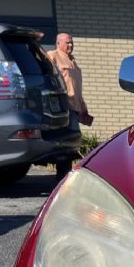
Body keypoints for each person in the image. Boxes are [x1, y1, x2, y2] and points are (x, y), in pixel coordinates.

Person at [47, 32, 92, 175]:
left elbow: (76, 88)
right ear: (58, 43)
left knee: (72, 140)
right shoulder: (52, 56)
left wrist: (83, 108)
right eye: (67, 43)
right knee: (67, 140)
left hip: (75, 107)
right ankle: (62, 173)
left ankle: (66, 171)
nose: (71, 45)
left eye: (72, 42)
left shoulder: (73, 62)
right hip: (63, 106)